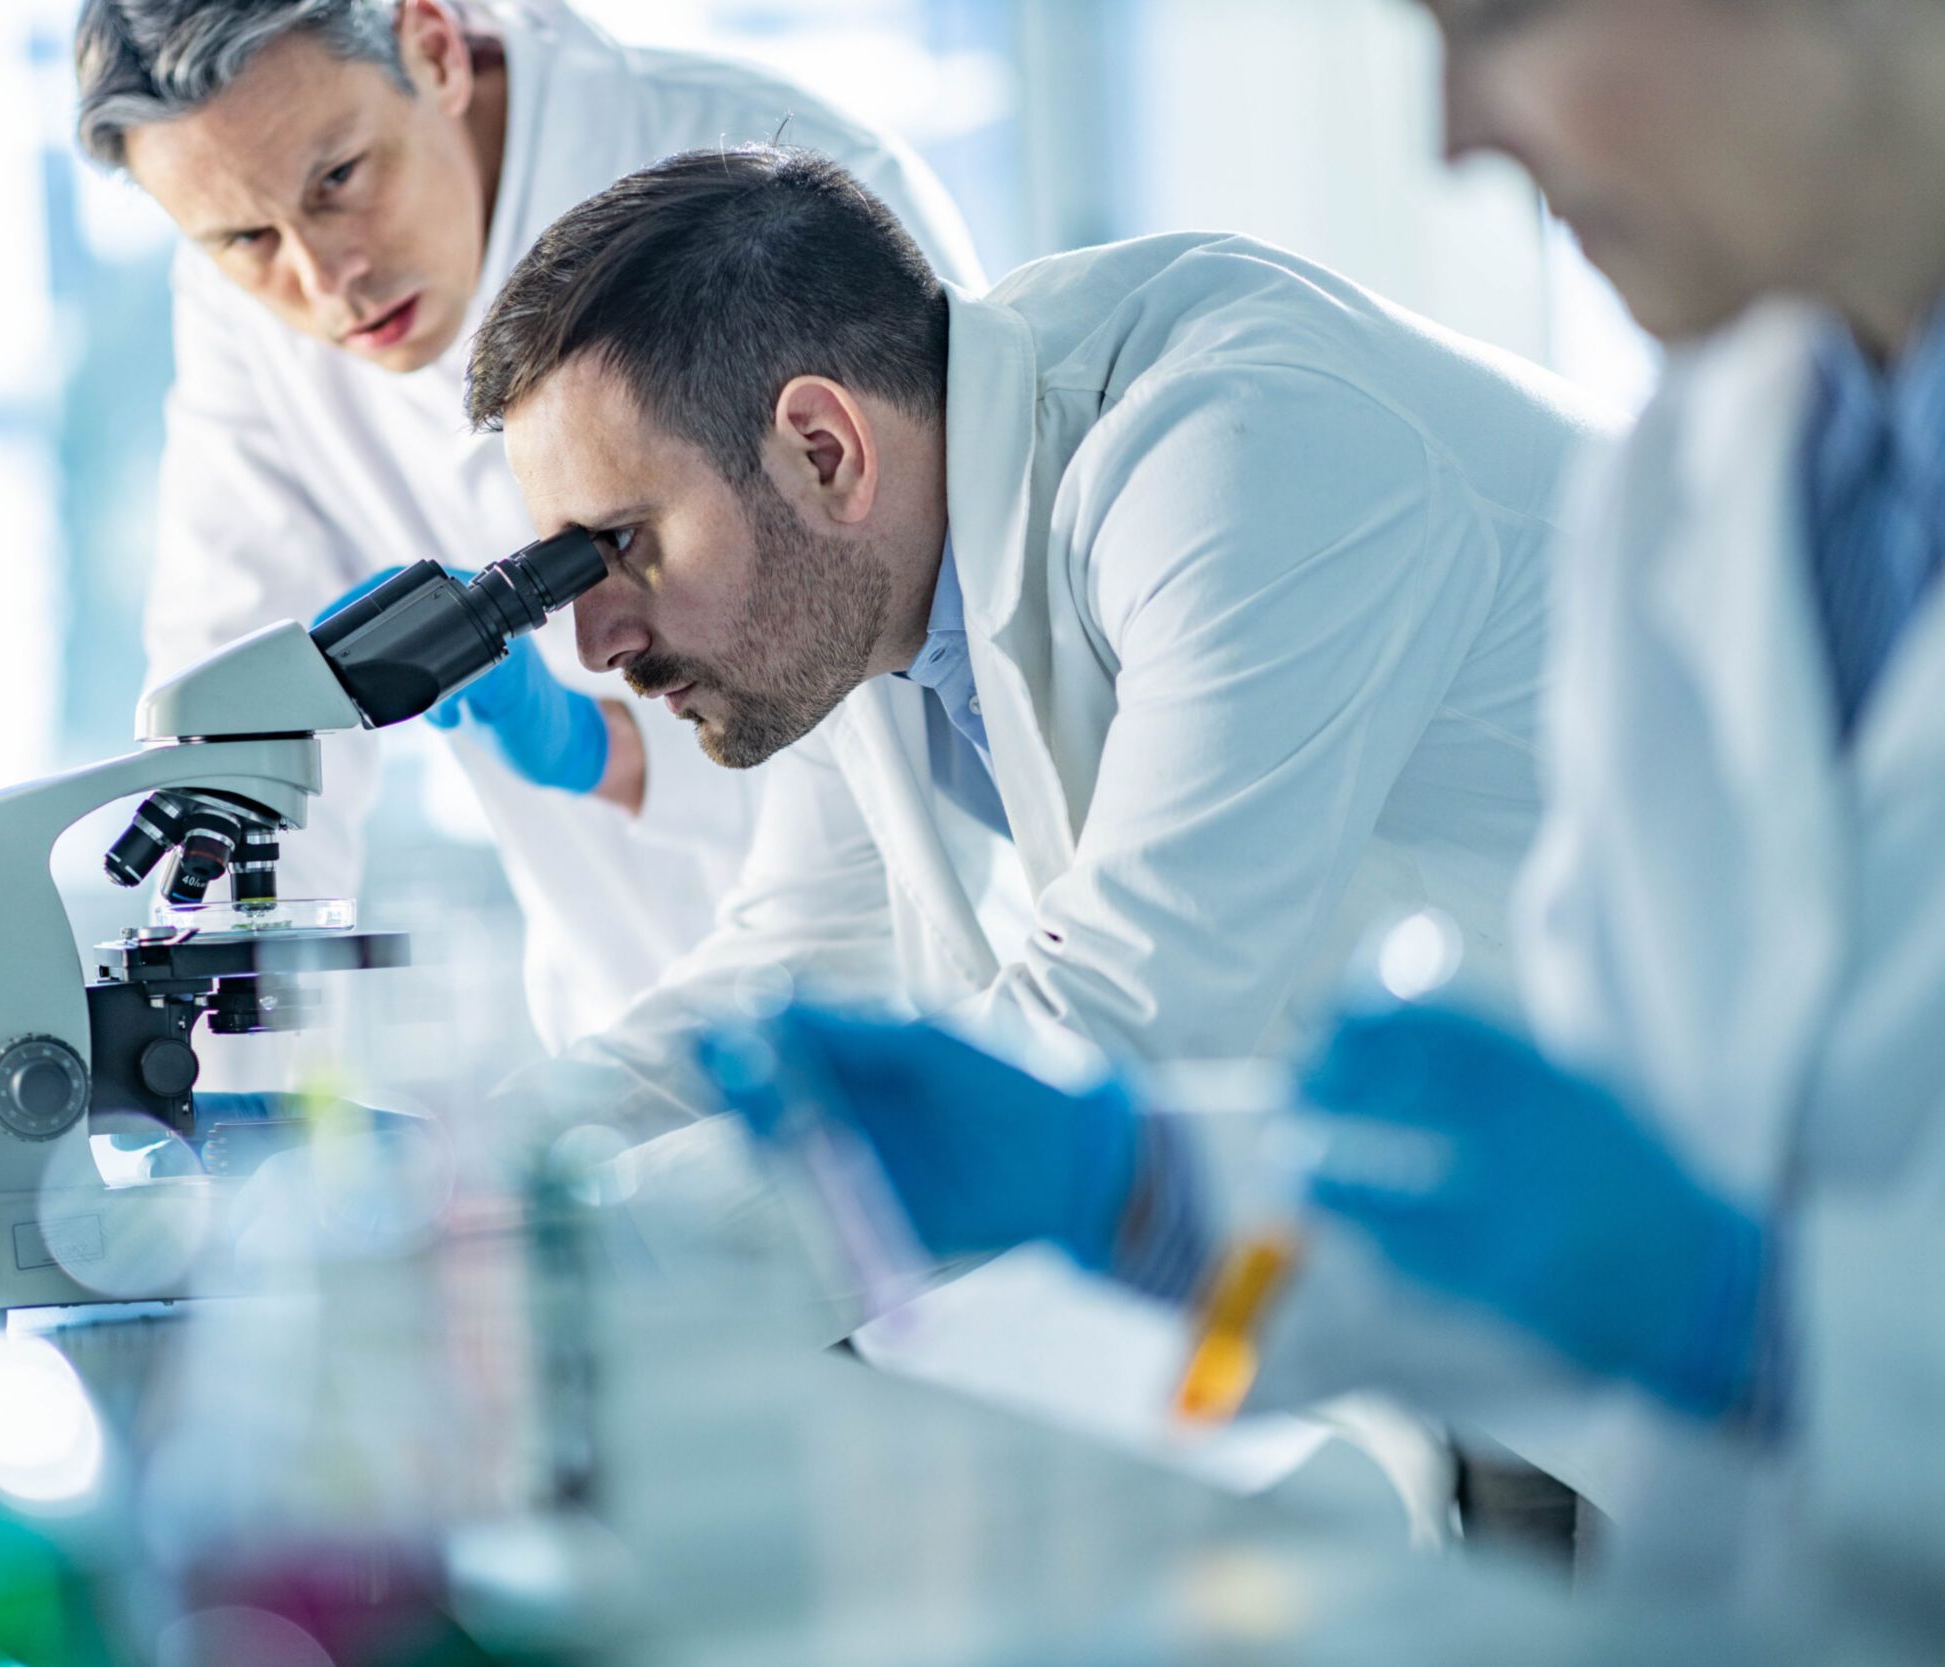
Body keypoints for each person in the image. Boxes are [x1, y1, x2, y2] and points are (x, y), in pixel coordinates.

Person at [711, 0, 1945, 1618]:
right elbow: (1566, 1240)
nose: (1455, 135)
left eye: (1500, 23)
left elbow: (1695, 1282)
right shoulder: (1707, 480)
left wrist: (1783, 1327)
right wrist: (1145, 1192)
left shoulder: (1261, 433)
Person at [73, 0, 982, 1049]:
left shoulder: (788, 197)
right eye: (246, 237)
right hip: (617, 1012)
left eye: (340, 180)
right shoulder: (246, 299)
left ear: (433, 44)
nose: (326, 277)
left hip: (907, 1010)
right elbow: (235, 700)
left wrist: (606, 749)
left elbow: (943, 716)